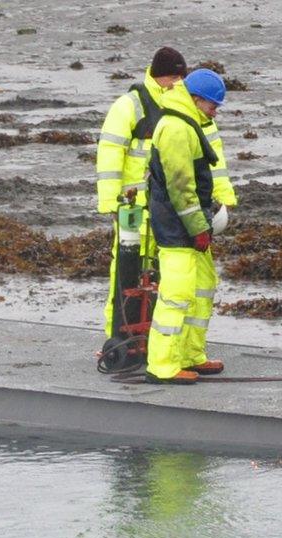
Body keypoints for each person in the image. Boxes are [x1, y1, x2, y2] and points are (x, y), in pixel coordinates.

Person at [96, 47, 189, 339]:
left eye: (181, 78)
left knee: (162, 277)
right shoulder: (129, 105)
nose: (178, 84)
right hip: (131, 210)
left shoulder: (181, 105)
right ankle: (118, 337)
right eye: (173, 77)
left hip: (164, 208)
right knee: (125, 272)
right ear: (159, 76)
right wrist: (112, 202)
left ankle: (152, 336)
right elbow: (110, 153)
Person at [145, 68, 228, 384]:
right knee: (177, 295)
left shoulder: (187, 123)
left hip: (190, 229)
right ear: (196, 99)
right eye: (212, 105)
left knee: (202, 288)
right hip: (177, 230)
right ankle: (162, 365)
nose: (215, 111)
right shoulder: (177, 129)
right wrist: (198, 228)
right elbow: (181, 188)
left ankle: (191, 354)